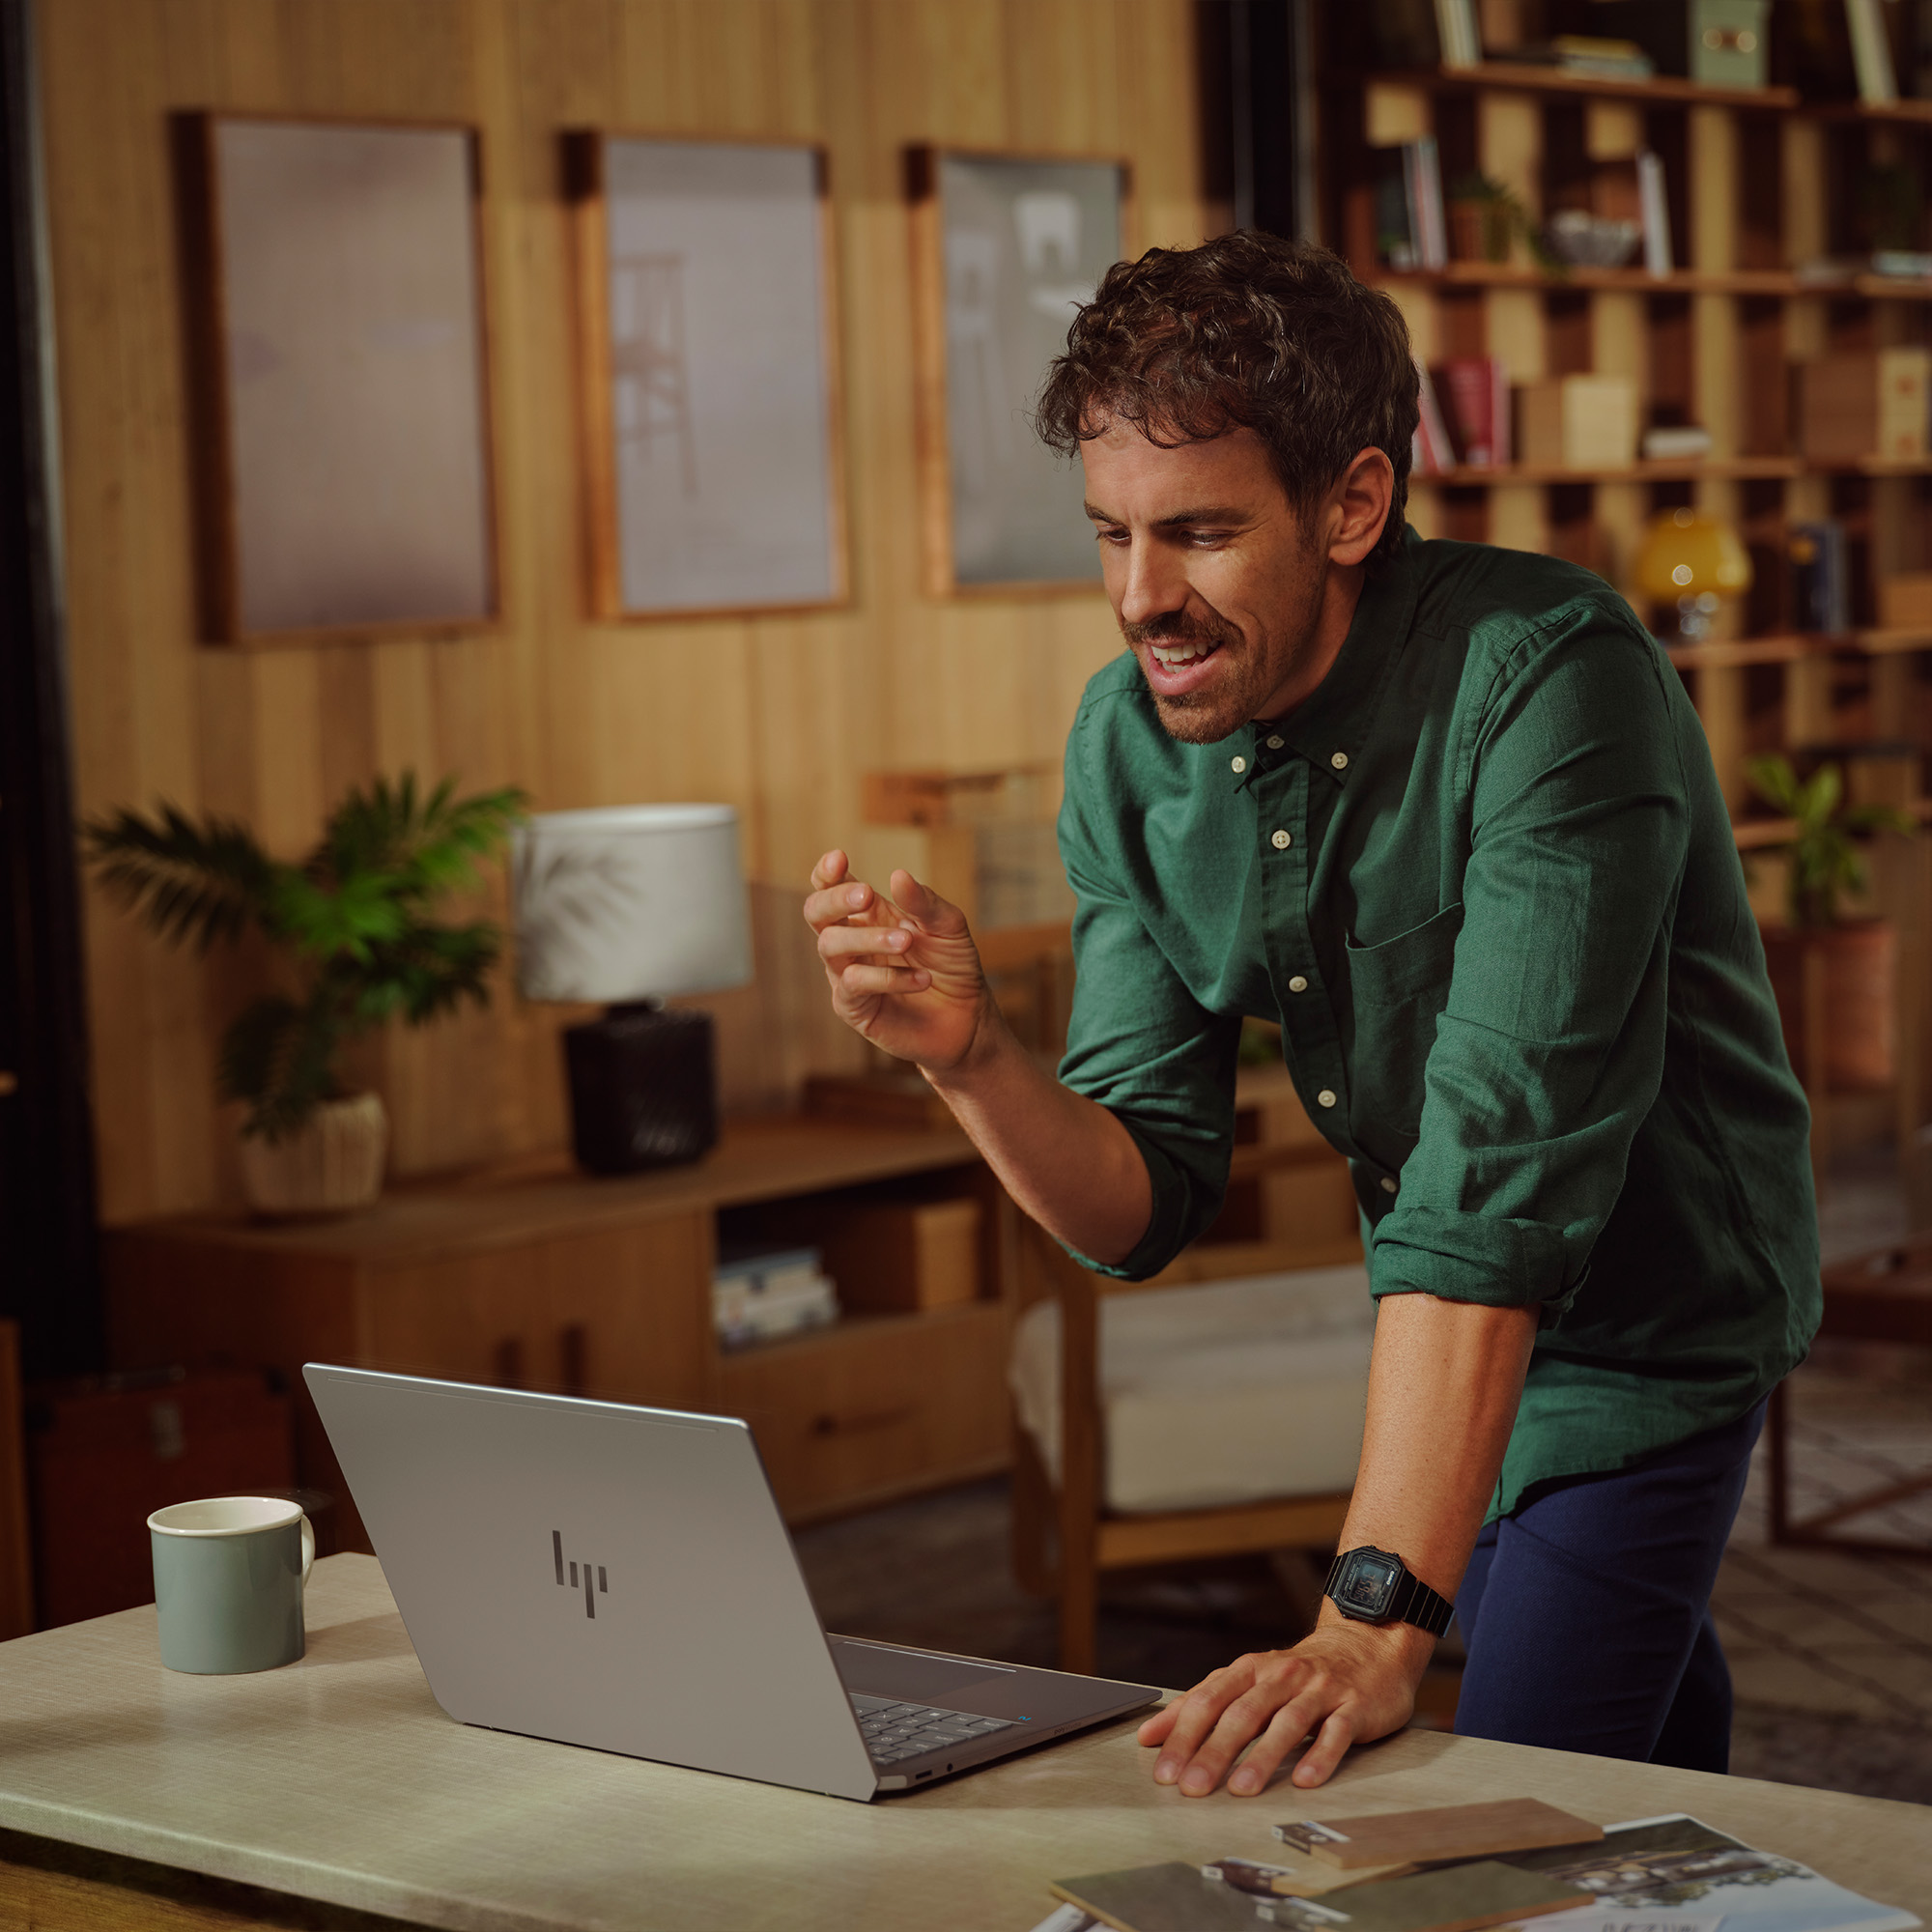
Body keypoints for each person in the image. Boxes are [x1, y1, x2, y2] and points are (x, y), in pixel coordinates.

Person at [803, 232, 1818, 1796]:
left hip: (1651, 1318)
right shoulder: (1127, 752)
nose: (1145, 599)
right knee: (1629, 1746)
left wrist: (1367, 1620)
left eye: (1200, 535)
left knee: (1519, 1796)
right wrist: (975, 1062)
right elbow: (1140, 1197)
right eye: (1112, 536)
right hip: (1440, 1333)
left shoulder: (1549, 678)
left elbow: (1494, 1171)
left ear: (1352, 504)